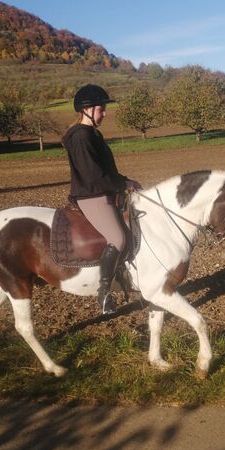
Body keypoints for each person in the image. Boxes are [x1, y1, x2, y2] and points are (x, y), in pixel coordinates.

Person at [62, 84, 142, 314]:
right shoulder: (80, 138)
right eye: (101, 109)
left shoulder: (92, 134)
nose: (105, 113)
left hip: (104, 190)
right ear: (86, 110)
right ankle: (104, 292)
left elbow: (106, 170)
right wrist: (121, 184)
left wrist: (126, 180)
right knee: (117, 238)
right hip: (92, 195)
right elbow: (93, 176)